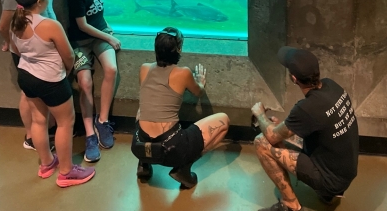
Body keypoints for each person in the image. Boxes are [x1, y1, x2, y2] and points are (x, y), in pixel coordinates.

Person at [10, 0, 95, 187]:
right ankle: (66, 172)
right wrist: (65, 72)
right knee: (65, 122)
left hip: (26, 76)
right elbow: (68, 55)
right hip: (50, 80)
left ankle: (47, 163)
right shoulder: (49, 25)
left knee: (39, 120)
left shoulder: (16, 22)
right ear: (40, 2)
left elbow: (18, 50)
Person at [251, 47, 358, 211]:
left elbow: (272, 137)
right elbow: (320, 127)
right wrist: (284, 128)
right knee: (283, 133)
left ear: (294, 78)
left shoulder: (306, 108)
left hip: (330, 180)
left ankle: (290, 204)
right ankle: (327, 196)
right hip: (344, 172)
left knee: (261, 142)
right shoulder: (332, 86)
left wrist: (260, 115)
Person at [131, 27, 230, 188]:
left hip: (138, 145)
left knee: (143, 108)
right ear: (179, 49)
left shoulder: (144, 68)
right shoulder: (183, 73)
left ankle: (144, 163)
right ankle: (183, 169)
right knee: (224, 121)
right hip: (171, 149)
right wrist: (200, 81)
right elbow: (198, 92)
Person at [0, 0, 58, 150]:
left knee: (34, 94)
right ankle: (32, 136)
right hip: (28, 51)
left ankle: (41, 132)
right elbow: (3, 25)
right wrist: (12, 46)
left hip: (41, 48)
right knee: (30, 94)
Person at [67, 0, 121, 162]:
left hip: (98, 35)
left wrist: (106, 26)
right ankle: (90, 133)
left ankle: (103, 121)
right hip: (81, 42)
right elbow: (82, 25)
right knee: (85, 83)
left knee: (111, 69)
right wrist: (108, 36)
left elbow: (98, 12)